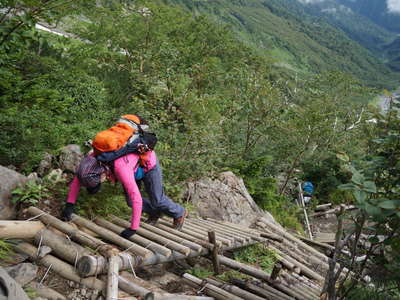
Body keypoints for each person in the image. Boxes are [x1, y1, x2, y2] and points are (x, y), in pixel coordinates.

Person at [61, 144, 188, 240]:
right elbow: (77, 181)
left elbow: (136, 198)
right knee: (130, 203)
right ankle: (155, 212)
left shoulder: (120, 169)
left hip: (148, 165)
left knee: (157, 199)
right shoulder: (88, 164)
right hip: (133, 167)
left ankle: (180, 213)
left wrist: (133, 228)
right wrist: (69, 206)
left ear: (102, 175)